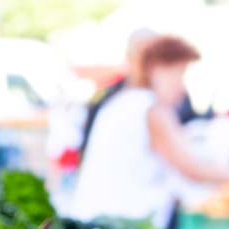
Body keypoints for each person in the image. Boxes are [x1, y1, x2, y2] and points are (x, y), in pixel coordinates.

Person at [71, 35, 229, 228]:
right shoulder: (151, 109)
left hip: (101, 220)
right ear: (155, 70)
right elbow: (193, 169)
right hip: (119, 227)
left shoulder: (124, 101)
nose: (182, 87)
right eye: (179, 74)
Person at [80, 28, 203, 157]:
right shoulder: (119, 99)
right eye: (142, 57)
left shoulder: (167, 95)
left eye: (153, 57)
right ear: (129, 59)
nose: (146, 64)